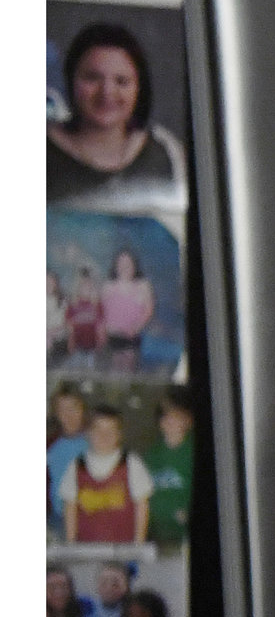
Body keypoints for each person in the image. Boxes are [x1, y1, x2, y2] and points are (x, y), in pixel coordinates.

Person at [48, 21, 188, 214]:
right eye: (92, 78)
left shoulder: (165, 152)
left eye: (122, 81)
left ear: (139, 88)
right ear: (71, 80)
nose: (107, 92)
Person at [60, 405, 152, 547]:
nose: (104, 436)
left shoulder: (131, 463)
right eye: (98, 430)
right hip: (86, 549)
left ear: (119, 434)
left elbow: (142, 507)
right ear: (88, 433)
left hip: (123, 551)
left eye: (111, 430)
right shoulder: (77, 466)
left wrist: (138, 546)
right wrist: (71, 545)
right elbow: (70, 508)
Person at [141, 388, 196, 554]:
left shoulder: (193, 450)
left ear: (187, 420)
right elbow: (145, 498)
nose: (169, 421)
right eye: (165, 416)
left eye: (176, 416)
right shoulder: (151, 456)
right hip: (158, 537)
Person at [100, 248, 156, 375]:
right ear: (115, 266)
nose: (124, 267)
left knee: (128, 370)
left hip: (132, 336)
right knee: (112, 372)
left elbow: (149, 309)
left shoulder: (143, 285)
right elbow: (100, 311)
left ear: (134, 265)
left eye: (128, 263)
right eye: (121, 263)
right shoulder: (108, 285)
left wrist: (136, 328)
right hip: (111, 336)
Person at [47, 387, 89, 537]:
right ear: (55, 413)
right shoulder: (50, 445)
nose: (68, 415)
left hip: (90, 517)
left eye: (73, 408)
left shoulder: (95, 442)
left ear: (82, 409)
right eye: (62, 410)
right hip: (57, 518)